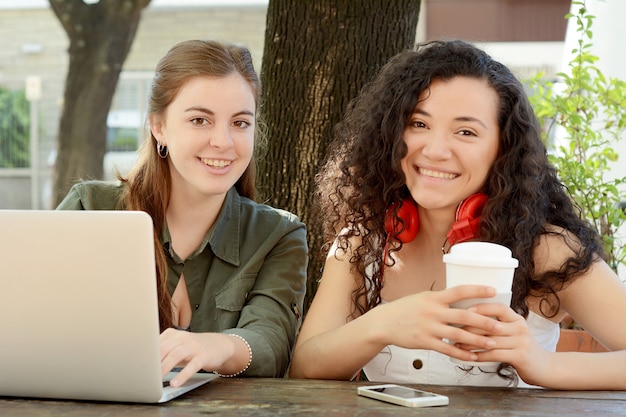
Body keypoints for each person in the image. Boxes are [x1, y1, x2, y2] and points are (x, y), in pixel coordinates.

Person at [289, 40, 626, 390]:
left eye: (466, 132)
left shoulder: (545, 250)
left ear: (503, 148)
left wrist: (541, 364)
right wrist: (383, 324)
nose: (434, 150)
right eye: (419, 124)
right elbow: (305, 365)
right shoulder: (363, 244)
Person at [56, 40, 308, 386]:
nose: (223, 141)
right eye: (200, 120)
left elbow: (273, 339)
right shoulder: (91, 208)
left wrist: (215, 346)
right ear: (159, 127)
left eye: (240, 123)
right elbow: (41, 322)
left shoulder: (278, 234)